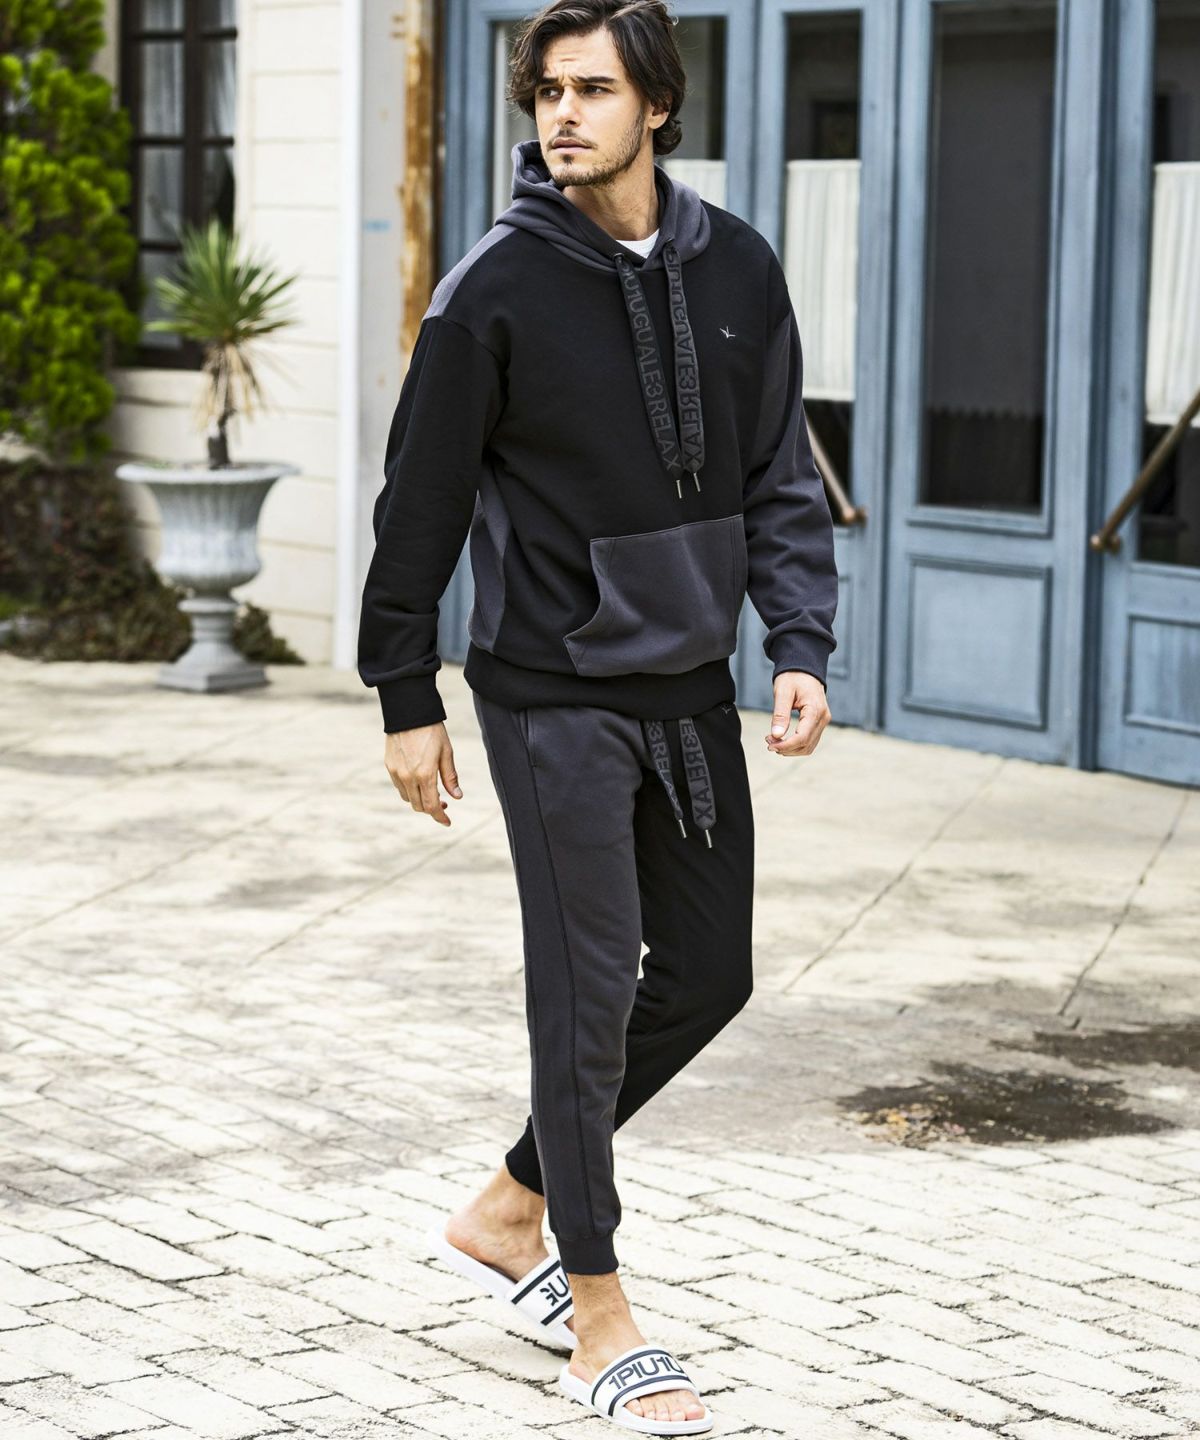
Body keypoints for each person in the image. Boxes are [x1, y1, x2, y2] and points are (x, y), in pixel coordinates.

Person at [357, 0, 838, 1429]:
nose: (564, 114)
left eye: (595, 90)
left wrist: (798, 639)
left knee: (708, 974)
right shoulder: (492, 289)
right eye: (549, 91)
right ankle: (598, 1310)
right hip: (550, 695)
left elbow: (779, 473)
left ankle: (509, 1203)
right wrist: (405, 695)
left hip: (689, 691)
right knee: (582, 1001)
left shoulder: (739, 266)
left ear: (659, 108)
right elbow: (419, 501)